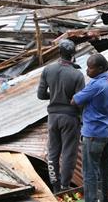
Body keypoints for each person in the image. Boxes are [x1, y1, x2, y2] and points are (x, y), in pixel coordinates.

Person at [37, 39, 85, 191]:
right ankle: (65, 186)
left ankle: (55, 186)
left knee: (53, 152)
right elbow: (79, 101)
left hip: (53, 117)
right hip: (70, 118)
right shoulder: (77, 75)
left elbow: (40, 95)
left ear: (59, 52)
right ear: (73, 55)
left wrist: (54, 96)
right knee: (68, 153)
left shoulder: (48, 70)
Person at [72, 53, 108, 202]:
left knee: (90, 172)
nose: (87, 71)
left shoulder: (95, 85)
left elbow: (76, 100)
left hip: (93, 134)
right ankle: (107, 198)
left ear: (99, 68)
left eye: (90, 68)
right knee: (106, 169)